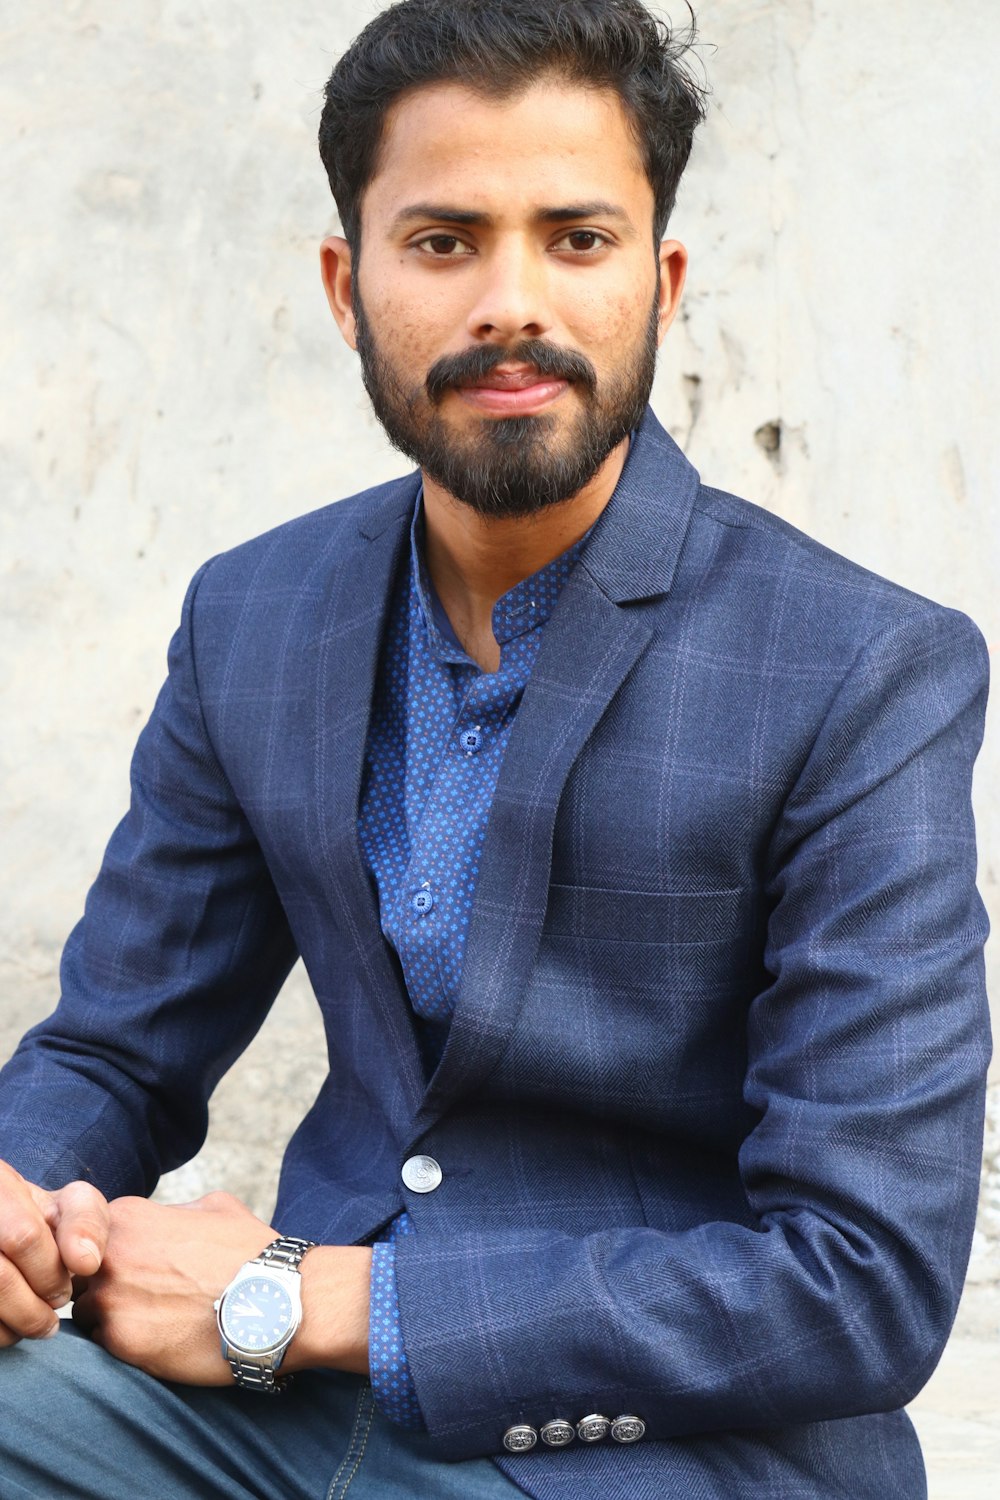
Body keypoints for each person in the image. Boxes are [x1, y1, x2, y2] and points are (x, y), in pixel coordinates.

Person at [0, 1, 990, 1496]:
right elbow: (115, 1048)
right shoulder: (253, 616)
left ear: (659, 282)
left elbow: (861, 1283)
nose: (508, 301)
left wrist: (310, 1298)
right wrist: (19, 1201)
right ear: (348, 285)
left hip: (661, 1452)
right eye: (444, 240)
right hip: (264, 1412)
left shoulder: (860, 668)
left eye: (576, 240)